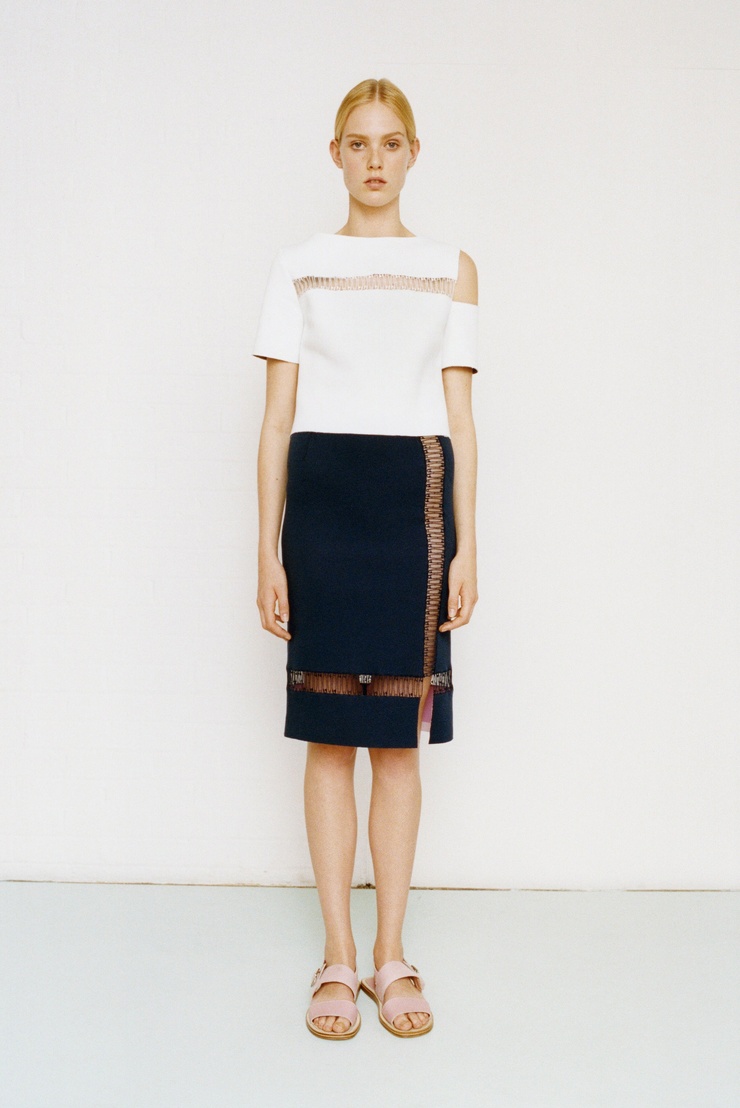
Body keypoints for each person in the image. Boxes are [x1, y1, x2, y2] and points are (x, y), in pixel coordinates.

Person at [253, 77, 479, 1039]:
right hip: (323, 502)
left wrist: (468, 547)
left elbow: (461, 417)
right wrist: (266, 550)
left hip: (413, 504)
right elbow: (276, 421)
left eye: (391, 143)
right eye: (358, 143)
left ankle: (392, 954)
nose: (375, 160)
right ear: (336, 154)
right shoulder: (299, 268)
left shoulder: (451, 268)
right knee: (329, 737)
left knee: (397, 740)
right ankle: (337, 958)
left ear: (413, 153)